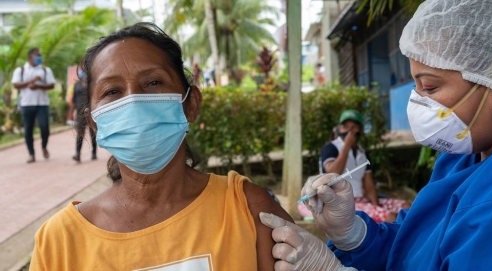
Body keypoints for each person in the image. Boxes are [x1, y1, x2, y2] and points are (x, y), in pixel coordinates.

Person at [260, 0, 492, 270]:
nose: (417, 102)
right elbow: (423, 249)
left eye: (431, 86)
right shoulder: (474, 148)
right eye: (415, 84)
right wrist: (354, 235)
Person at [28, 22, 293, 271]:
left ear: (191, 104)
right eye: (112, 91)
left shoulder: (248, 209)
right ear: (93, 123)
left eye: (153, 83)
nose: (134, 102)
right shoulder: (60, 241)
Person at [313, 109, 408, 222]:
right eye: (346, 127)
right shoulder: (331, 147)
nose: (349, 131)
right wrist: (346, 147)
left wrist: (376, 205)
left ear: (361, 130)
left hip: (362, 200)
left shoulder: (362, 153)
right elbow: (332, 174)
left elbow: (369, 184)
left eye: (353, 127)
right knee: (389, 217)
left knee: (406, 207)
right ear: (340, 129)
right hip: (340, 203)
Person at [11, 48, 56, 163]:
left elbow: (51, 85)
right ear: (30, 56)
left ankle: (44, 146)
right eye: (37, 55)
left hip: (42, 103)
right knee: (28, 130)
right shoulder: (21, 70)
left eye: (40, 55)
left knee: (44, 127)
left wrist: (38, 86)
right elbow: (15, 84)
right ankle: (31, 154)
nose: (39, 57)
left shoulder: (45, 70)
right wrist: (31, 81)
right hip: (26, 104)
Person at [71, 70, 97, 163]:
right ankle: (77, 154)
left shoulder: (92, 84)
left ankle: (94, 153)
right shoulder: (77, 85)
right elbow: (74, 99)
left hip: (91, 112)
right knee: (80, 134)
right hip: (80, 113)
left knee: (92, 133)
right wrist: (71, 112)